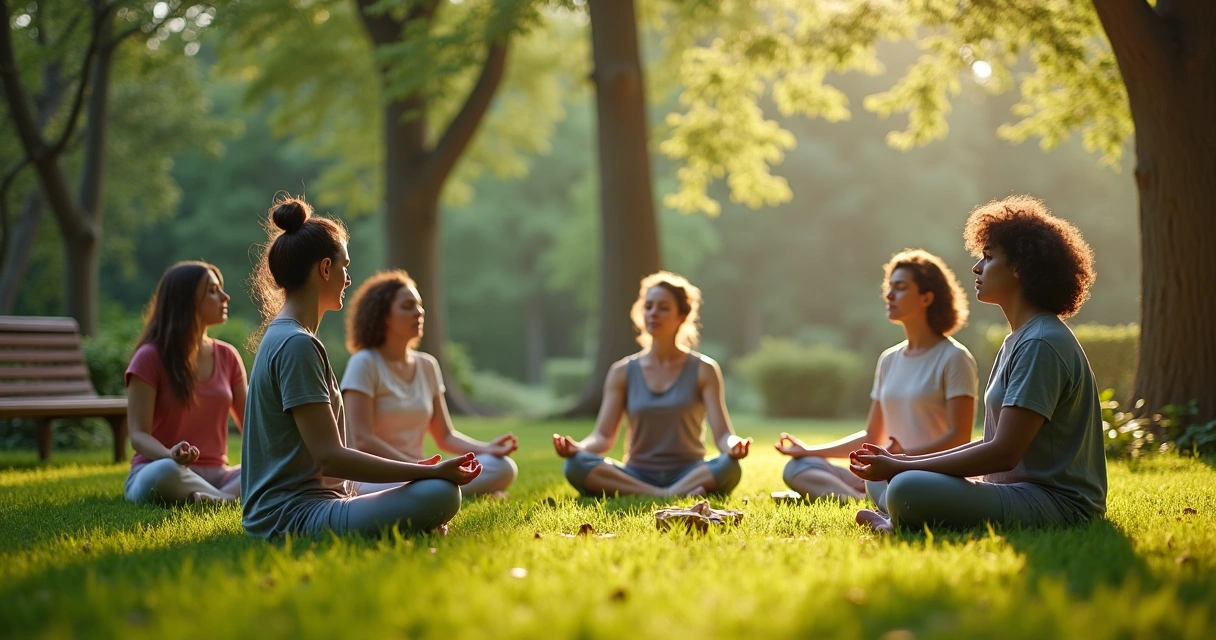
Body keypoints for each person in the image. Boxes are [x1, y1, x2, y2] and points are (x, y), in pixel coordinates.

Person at [851, 195, 1106, 532]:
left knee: (903, 485)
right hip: (1011, 492)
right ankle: (898, 513)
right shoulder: (1020, 338)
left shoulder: (1042, 342)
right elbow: (991, 444)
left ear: (1019, 268)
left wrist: (902, 466)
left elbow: (1004, 453)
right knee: (890, 480)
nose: (976, 267)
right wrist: (898, 463)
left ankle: (896, 517)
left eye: (988, 258)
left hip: (1057, 505)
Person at [240, 196, 481, 539]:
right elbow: (331, 458)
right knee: (440, 493)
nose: (348, 279)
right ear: (325, 269)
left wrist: (415, 474)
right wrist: (424, 473)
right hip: (290, 516)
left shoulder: (287, 336)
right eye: (344, 266)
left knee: (435, 491)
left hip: (312, 504)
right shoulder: (297, 344)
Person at [776, 250, 978, 506]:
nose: (889, 295)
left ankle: (868, 495)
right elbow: (873, 435)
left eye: (901, 287)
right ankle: (860, 497)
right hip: (885, 468)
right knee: (798, 467)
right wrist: (808, 450)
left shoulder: (954, 358)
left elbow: (959, 438)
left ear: (926, 298)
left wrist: (901, 458)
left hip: (926, 474)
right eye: (889, 287)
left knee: (900, 486)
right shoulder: (889, 359)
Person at [553, 271, 752, 497]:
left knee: (729, 466)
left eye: (663, 307)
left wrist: (735, 446)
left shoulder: (704, 369)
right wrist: (578, 448)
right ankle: (666, 493)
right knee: (576, 464)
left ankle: (655, 491)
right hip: (637, 472)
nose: (653, 313)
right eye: (648, 306)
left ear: (682, 316)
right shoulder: (622, 372)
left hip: (690, 471)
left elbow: (723, 435)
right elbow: (603, 437)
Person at [341, 270, 518, 496]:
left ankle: (443, 488)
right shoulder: (364, 363)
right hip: (376, 476)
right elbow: (363, 440)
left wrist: (488, 448)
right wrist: (419, 469)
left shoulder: (427, 365)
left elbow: (445, 436)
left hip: (422, 469)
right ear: (383, 316)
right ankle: (449, 489)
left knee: (503, 467)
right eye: (407, 306)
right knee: (437, 486)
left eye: (419, 305)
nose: (419, 312)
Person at [124, 261, 247, 505]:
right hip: (163, 469)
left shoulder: (228, 356)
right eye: (212, 291)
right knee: (163, 474)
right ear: (186, 301)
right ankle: (228, 501)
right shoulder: (149, 357)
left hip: (219, 476)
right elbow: (138, 435)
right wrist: (170, 455)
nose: (225, 296)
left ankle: (215, 500)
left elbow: (252, 427)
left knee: (278, 468)